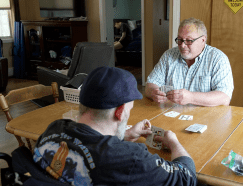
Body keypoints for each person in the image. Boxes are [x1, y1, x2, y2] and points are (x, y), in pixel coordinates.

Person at [33, 66, 197, 186]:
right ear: (119, 112)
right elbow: (187, 178)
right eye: (129, 110)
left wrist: (124, 136)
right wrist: (174, 142)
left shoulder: (54, 129)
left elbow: (90, 146)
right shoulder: (130, 158)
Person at [145, 17, 234, 106]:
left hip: (205, 117)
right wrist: (154, 92)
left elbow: (224, 97)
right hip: (171, 114)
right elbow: (150, 85)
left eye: (189, 40)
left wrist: (191, 97)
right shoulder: (168, 55)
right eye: (180, 40)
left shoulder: (218, 59)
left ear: (203, 40)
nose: (183, 45)